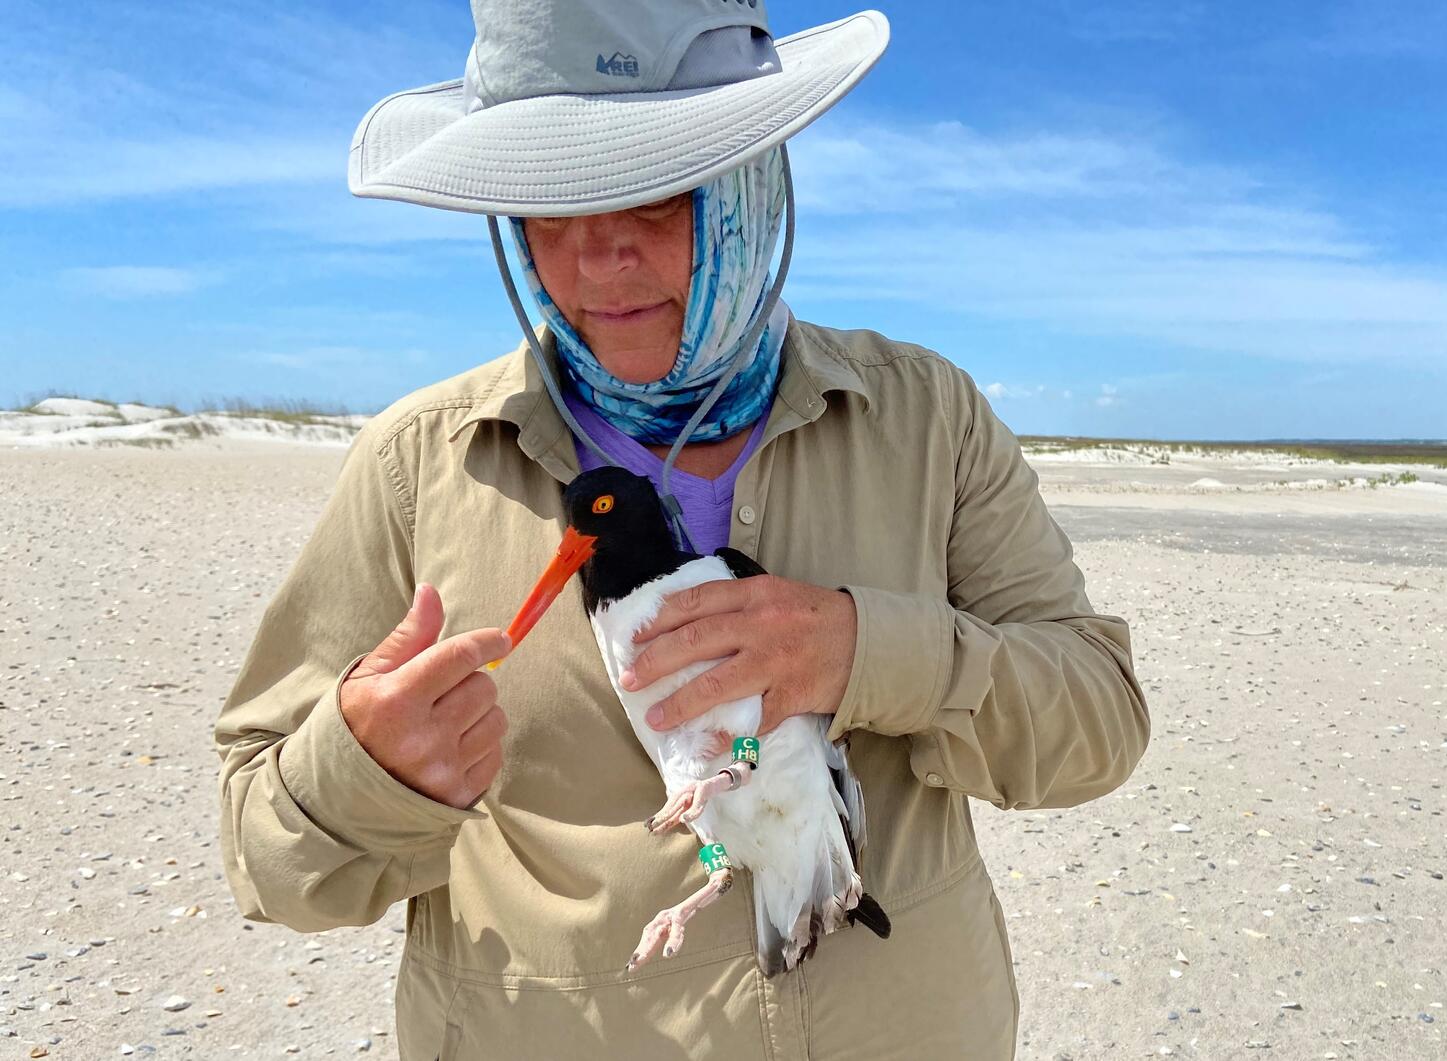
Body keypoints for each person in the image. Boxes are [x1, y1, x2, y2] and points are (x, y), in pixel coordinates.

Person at [214, 1, 1151, 1057]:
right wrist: (363, 771)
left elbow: (1097, 727)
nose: (592, 260)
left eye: (653, 187)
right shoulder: (415, 463)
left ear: (755, 174)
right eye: (545, 200)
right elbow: (265, 860)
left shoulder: (926, 416)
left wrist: (866, 649)